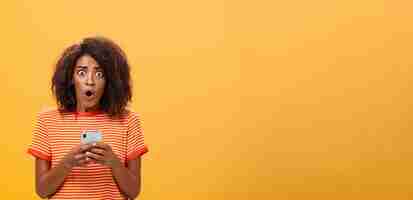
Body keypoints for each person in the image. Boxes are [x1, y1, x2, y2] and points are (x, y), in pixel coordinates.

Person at [27, 36, 148, 199]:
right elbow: (42, 190)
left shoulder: (129, 121)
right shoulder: (47, 120)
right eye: (82, 72)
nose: (90, 81)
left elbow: (133, 192)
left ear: (110, 81)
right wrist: (68, 162)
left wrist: (112, 161)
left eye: (99, 74)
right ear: (71, 78)